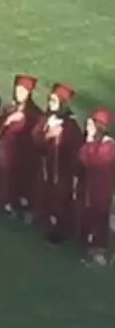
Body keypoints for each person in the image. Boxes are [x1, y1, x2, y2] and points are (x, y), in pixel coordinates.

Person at [31, 83, 82, 243]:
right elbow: (35, 137)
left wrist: (60, 139)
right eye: (50, 99)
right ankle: (45, 221)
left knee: (60, 200)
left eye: (54, 100)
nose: (50, 103)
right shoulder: (46, 119)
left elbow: (75, 150)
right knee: (45, 195)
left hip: (62, 170)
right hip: (46, 166)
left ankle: (59, 230)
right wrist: (47, 136)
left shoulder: (71, 126)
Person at [0, 75, 42, 218]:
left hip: (25, 153)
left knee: (22, 180)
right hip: (8, 151)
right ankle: (7, 203)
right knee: (7, 178)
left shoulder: (35, 113)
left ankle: (22, 204)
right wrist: (8, 120)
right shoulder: (10, 108)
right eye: (17, 89)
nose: (19, 93)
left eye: (23, 91)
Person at [76, 109, 115, 267]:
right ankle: (92, 252)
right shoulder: (92, 143)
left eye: (91, 124)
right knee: (90, 219)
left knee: (98, 220)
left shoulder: (108, 146)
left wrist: (89, 143)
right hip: (89, 188)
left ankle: (99, 255)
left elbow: (92, 161)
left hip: (101, 190)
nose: (88, 126)